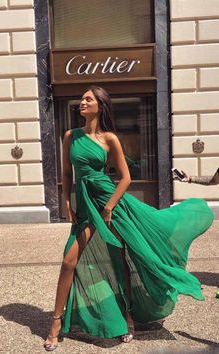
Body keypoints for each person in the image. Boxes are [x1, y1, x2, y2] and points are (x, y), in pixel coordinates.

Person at [44, 86, 214, 351]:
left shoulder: (109, 138)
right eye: (82, 99)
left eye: (89, 99)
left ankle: (127, 317)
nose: (82, 102)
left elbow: (125, 178)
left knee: (121, 258)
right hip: (85, 203)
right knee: (69, 260)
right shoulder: (70, 136)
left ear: (100, 105)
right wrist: (66, 202)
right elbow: (67, 173)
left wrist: (110, 207)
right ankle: (56, 321)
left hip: (110, 202)